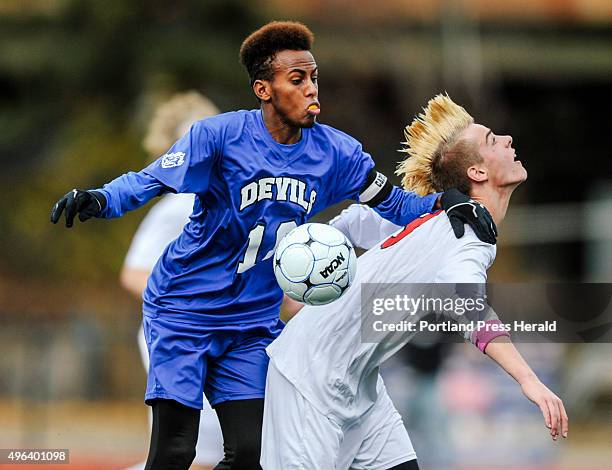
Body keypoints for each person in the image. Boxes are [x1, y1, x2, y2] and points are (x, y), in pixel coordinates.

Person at [50, 22, 496, 470]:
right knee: (175, 450)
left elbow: (395, 204)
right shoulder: (219, 137)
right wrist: (99, 199)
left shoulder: (337, 153)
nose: (311, 90)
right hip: (184, 310)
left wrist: (446, 204)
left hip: (251, 323)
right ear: (264, 89)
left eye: (314, 77)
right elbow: (148, 181)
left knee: (251, 455)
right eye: (297, 80)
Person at [261, 94, 569, 469]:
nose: (505, 139)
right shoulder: (466, 232)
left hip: (359, 385)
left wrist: (311, 259)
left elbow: (359, 220)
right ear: (477, 173)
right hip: (309, 375)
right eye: (491, 140)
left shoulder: (442, 217)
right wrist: (529, 381)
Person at [121, 91, 224, 470]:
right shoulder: (178, 206)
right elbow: (133, 273)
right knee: (196, 453)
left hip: (222, 337)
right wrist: (189, 299)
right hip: (180, 340)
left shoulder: (232, 202)